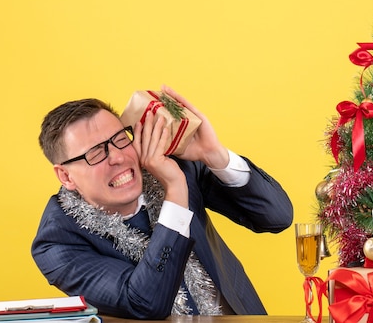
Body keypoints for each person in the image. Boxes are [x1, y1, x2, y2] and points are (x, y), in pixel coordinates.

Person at [31, 86, 294, 319]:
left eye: (120, 139)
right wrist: (175, 190)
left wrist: (215, 155)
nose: (118, 158)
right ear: (65, 176)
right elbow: (145, 302)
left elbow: (276, 216)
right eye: (95, 153)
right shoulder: (57, 242)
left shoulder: (177, 165)